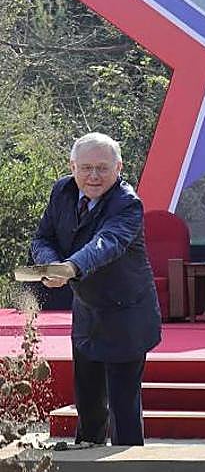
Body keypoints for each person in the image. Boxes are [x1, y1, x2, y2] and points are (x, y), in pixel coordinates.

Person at [31, 132, 162, 446]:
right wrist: (50, 265)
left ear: (118, 168)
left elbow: (106, 243)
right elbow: (43, 238)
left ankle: (129, 467)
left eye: (102, 168)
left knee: (123, 406)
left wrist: (70, 268)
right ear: (72, 167)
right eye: (86, 168)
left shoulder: (127, 203)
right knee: (88, 402)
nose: (93, 176)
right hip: (88, 309)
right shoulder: (62, 191)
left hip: (127, 313)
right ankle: (85, 460)